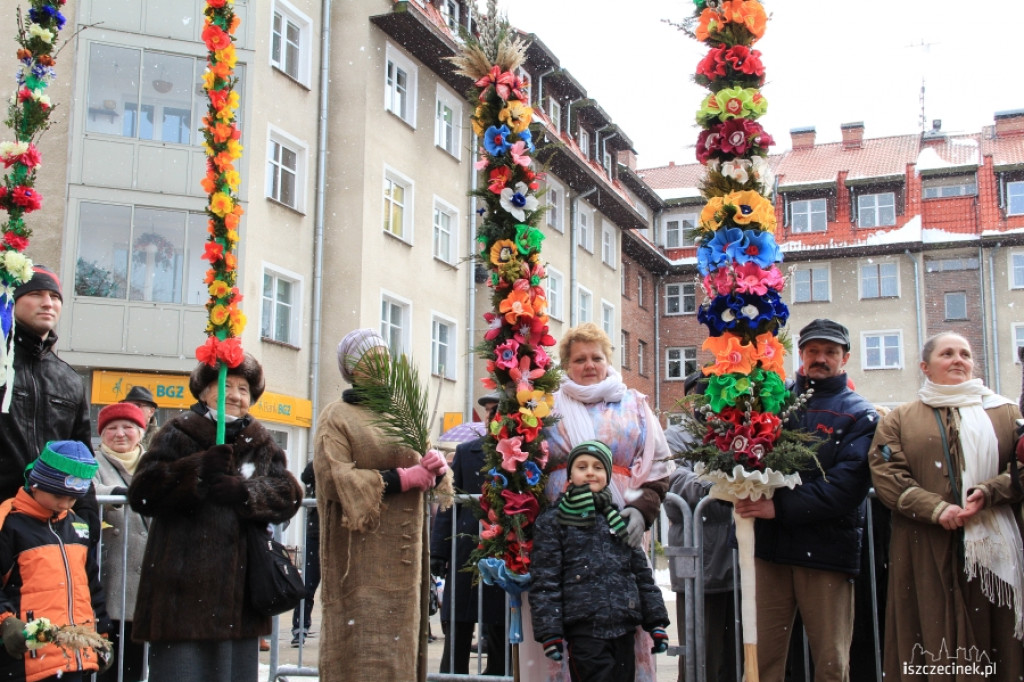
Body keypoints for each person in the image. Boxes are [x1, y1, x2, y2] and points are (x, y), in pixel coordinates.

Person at [127, 353, 303, 682]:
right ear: (205, 391)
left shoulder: (260, 439)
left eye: (244, 389)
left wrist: (246, 492)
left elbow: (289, 494)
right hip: (180, 592)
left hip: (239, 597)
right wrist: (195, 471)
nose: (235, 395)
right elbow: (142, 492)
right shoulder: (178, 431)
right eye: (226, 386)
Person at [869, 332, 1024, 680]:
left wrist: (989, 492)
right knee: (928, 632)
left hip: (993, 549)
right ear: (925, 367)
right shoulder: (900, 419)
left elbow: (1022, 468)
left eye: (965, 354)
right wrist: (937, 509)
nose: (958, 360)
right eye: (947, 353)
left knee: (994, 639)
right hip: (924, 545)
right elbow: (887, 474)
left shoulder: (1005, 413)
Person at [525, 322, 672, 682]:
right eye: (579, 359)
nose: (589, 365)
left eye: (597, 357)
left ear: (608, 361)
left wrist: (642, 508)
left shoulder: (633, 404)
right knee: (564, 612)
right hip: (564, 529)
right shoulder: (545, 406)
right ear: (565, 364)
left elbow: (660, 462)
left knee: (624, 617)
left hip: (619, 519)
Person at [734, 318, 878, 682]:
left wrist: (778, 506)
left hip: (827, 553)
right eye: (813, 350)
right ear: (800, 354)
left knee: (830, 663)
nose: (821, 358)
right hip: (772, 551)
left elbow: (846, 487)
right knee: (762, 659)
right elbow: (744, 453)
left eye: (830, 351)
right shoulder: (774, 400)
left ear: (845, 357)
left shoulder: (859, 413)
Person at [314, 329, 450, 682]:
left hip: (405, 562)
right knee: (360, 649)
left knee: (400, 651)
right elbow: (333, 480)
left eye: (385, 359)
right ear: (351, 370)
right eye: (369, 360)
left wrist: (435, 468)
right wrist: (402, 479)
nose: (380, 366)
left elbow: (429, 472)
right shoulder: (336, 415)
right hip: (360, 560)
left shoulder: (401, 414)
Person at [530, 440, 670, 682]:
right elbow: (545, 579)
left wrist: (656, 622)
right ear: (570, 474)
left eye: (597, 467)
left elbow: (641, 574)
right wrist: (549, 632)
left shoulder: (617, 518)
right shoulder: (555, 520)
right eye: (582, 467)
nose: (590, 472)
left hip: (623, 625)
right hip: (584, 627)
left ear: (607, 475)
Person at [0, 266, 100, 541]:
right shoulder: (2, 365)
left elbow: (82, 454)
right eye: (35, 294)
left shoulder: (69, 379)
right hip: (4, 514)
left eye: (55, 297)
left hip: (52, 528)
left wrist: (87, 514)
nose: (48, 303)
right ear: (12, 300)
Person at [0, 440, 111, 682]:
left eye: (72, 499)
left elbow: (91, 586)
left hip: (74, 655)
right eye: (58, 496)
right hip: (27, 655)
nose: (65, 504)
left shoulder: (77, 526)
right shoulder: (10, 525)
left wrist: (101, 634)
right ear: (37, 485)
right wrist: (5, 621)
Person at [665, 373, 737, 682]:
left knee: (735, 658)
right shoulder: (676, 436)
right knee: (699, 658)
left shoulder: (740, 431)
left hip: (737, 560)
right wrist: (721, 486)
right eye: (700, 395)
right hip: (698, 561)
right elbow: (672, 480)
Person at [430, 391, 508, 676]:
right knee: (458, 624)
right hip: (466, 550)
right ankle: (453, 675)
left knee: (500, 626)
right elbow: (449, 504)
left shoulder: (523, 454)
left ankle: (498, 675)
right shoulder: (466, 452)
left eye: (497, 410)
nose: (491, 417)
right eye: (488, 411)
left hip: (504, 550)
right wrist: (438, 549)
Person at [93, 402, 150, 682]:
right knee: (107, 667)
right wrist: (116, 495)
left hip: (148, 586)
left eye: (128, 427)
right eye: (111, 428)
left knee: (138, 668)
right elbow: (87, 490)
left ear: (141, 431)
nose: (120, 434)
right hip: (109, 580)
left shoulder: (155, 463)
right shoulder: (92, 463)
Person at [291, 460, 320, 647]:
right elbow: (306, 476)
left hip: (340, 531)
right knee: (308, 584)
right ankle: (300, 628)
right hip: (316, 532)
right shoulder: (319, 463)